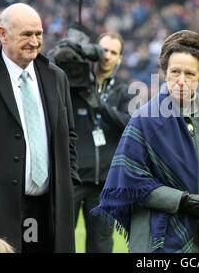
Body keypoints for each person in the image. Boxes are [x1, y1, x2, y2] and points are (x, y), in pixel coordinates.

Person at [92, 30, 199, 253]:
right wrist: (183, 201)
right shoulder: (144, 118)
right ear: (164, 72)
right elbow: (129, 181)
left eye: (189, 74)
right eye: (174, 72)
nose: (181, 81)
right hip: (157, 237)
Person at [0, 3, 81, 253]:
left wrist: (68, 181)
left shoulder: (56, 77)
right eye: (26, 34)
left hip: (49, 210)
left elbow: (67, 135)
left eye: (38, 34)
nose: (34, 42)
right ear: (2, 34)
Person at [72, 32, 134, 253]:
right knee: (61, 240)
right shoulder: (73, 85)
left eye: (113, 52)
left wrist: (100, 106)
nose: (107, 56)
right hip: (74, 179)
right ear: (93, 53)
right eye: (103, 50)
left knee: (101, 246)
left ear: (120, 58)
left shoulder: (124, 91)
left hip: (105, 184)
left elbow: (129, 124)